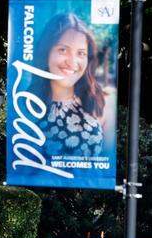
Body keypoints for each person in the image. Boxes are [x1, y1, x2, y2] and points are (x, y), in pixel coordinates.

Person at [30, 13, 107, 157]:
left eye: (81, 53)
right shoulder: (25, 106)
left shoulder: (98, 104)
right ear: (46, 52)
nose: (72, 62)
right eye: (63, 50)